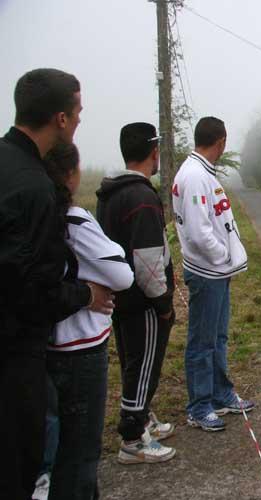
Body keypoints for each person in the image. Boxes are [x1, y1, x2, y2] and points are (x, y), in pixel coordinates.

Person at [0, 68, 113, 498]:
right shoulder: (35, 189)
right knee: (24, 464)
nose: (82, 119)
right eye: (79, 111)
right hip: (18, 356)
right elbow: (31, 290)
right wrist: (87, 293)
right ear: (61, 119)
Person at [41, 143, 134, 499]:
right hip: (81, 348)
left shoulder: (37, 217)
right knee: (81, 451)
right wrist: (89, 289)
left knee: (57, 447)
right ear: (70, 174)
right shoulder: (75, 219)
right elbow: (122, 275)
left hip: (45, 345)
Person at [96, 122, 176, 464]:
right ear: (153, 151)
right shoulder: (141, 196)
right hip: (141, 300)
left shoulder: (112, 192)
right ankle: (133, 438)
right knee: (143, 365)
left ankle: (142, 418)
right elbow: (147, 261)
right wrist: (163, 303)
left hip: (121, 297)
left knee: (133, 362)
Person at [172, 116, 253, 432]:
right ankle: (199, 406)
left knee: (217, 337)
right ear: (220, 141)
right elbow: (198, 231)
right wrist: (223, 257)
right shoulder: (194, 176)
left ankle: (220, 394)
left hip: (217, 272)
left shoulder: (202, 173)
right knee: (202, 341)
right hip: (207, 271)